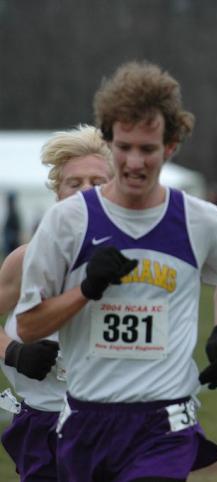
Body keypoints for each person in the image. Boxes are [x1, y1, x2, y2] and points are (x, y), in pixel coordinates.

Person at [15, 61, 217, 482]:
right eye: (124, 147)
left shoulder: (200, 220)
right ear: (108, 141)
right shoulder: (66, 223)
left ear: (171, 146)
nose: (134, 162)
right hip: (87, 418)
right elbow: (29, 326)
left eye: (148, 149)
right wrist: (86, 289)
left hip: (164, 420)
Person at [0, 125, 114, 481]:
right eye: (74, 183)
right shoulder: (24, 260)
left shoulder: (142, 261)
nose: (85, 193)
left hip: (118, 422)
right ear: (57, 193)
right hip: (43, 421)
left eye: (97, 183)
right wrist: (15, 353)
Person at [3, 191, 21, 256]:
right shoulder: (12, 212)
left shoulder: (12, 213)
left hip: (12, 242)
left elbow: (16, 228)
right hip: (12, 241)